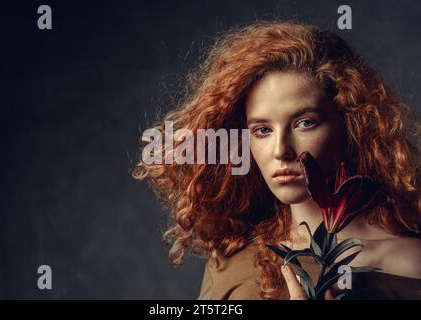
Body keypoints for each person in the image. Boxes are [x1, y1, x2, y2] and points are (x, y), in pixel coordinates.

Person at [132, 21, 421, 299]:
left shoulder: (408, 261)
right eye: (262, 130)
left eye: (305, 123)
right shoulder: (232, 267)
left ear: (350, 123)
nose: (280, 150)